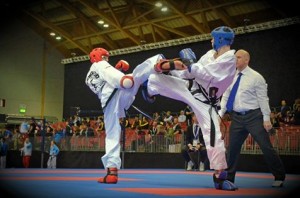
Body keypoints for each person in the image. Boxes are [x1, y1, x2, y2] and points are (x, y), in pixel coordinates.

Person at [144, 26, 238, 190]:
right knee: (154, 77)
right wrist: (175, 67)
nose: (211, 41)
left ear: (220, 40)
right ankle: (149, 89)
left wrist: (190, 64)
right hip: (191, 88)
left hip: (207, 102)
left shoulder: (230, 60)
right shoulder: (209, 55)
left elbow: (209, 75)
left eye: (213, 38)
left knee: (213, 136)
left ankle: (219, 176)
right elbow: (190, 73)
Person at [85, 47, 186, 184]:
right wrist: (121, 77)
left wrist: (118, 70)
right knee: (137, 75)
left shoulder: (89, 77)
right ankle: (156, 64)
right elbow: (108, 73)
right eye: (104, 57)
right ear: (96, 57)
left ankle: (111, 172)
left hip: (109, 102)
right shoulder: (99, 65)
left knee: (112, 134)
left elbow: (104, 79)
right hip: (121, 88)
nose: (106, 60)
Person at [219, 49, 286, 187]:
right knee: (232, 150)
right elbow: (225, 96)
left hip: (254, 117)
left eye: (238, 57)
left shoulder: (257, 77)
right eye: (234, 57)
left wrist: (266, 119)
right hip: (236, 118)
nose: (235, 60)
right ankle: (229, 179)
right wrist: (220, 114)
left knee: (266, 147)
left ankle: (279, 176)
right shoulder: (230, 76)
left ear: (246, 60)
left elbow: (263, 99)